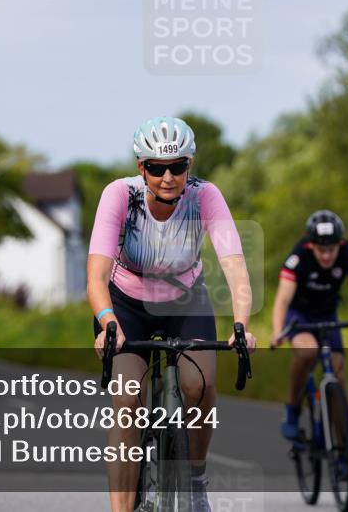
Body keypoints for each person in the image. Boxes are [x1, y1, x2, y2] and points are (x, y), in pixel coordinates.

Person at [88, 116, 257, 512]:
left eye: (178, 166)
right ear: (140, 167)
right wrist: (107, 322)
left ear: (190, 166)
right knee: (128, 400)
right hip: (127, 303)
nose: (168, 177)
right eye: (157, 168)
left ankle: (195, 480)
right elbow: (96, 276)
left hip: (185, 298)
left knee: (200, 385)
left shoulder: (205, 196)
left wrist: (241, 324)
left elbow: (235, 266)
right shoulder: (119, 195)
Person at [270, 210, 348, 441]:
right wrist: (277, 332)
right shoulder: (298, 257)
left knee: (337, 370)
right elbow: (282, 300)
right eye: (321, 250)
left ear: (340, 244)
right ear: (311, 245)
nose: (326, 256)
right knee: (308, 352)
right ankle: (292, 409)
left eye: (331, 250)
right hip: (299, 315)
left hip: (326, 314)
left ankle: (343, 449)